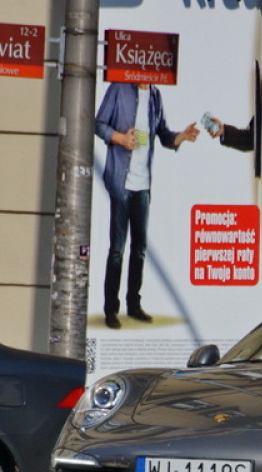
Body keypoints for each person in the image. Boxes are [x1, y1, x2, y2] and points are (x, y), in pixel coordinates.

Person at [94, 81, 199, 329]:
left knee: (139, 248)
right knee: (118, 248)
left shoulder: (154, 95)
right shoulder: (119, 88)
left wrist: (181, 137)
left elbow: (163, 134)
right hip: (121, 183)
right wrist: (119, 138)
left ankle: (133, 305)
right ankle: (111, 310)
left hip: (143, 185)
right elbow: (98, 124)